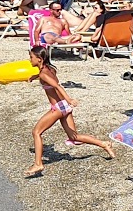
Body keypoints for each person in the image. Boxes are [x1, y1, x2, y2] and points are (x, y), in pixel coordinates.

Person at [24, 45, 116, 177]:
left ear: (39, 59)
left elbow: (57, 86)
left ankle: (38, 163)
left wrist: (69, 99)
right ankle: (104, 144)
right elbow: (47, 77)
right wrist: (35, 76)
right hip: (65, 107)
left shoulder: (43, 73)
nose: (29, 60)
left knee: (36, 132)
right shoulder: (49, 69)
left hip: (58, 108)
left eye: (31, 57)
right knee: (74, 137)